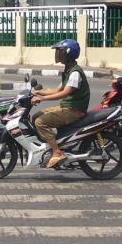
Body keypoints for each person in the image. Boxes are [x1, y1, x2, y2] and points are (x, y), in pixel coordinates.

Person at [31, 39, 90, 168]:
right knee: (35, 116)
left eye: (59, 51)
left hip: (74, 110)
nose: (57, 54)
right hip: (67, 107)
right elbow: (57, 90)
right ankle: (49, 144)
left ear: (67, 53)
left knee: (40, 122)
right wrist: (39, 93)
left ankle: (57, 152)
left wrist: (42, 99)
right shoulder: (69, 70)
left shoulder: (75, 72)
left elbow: (64, 93)